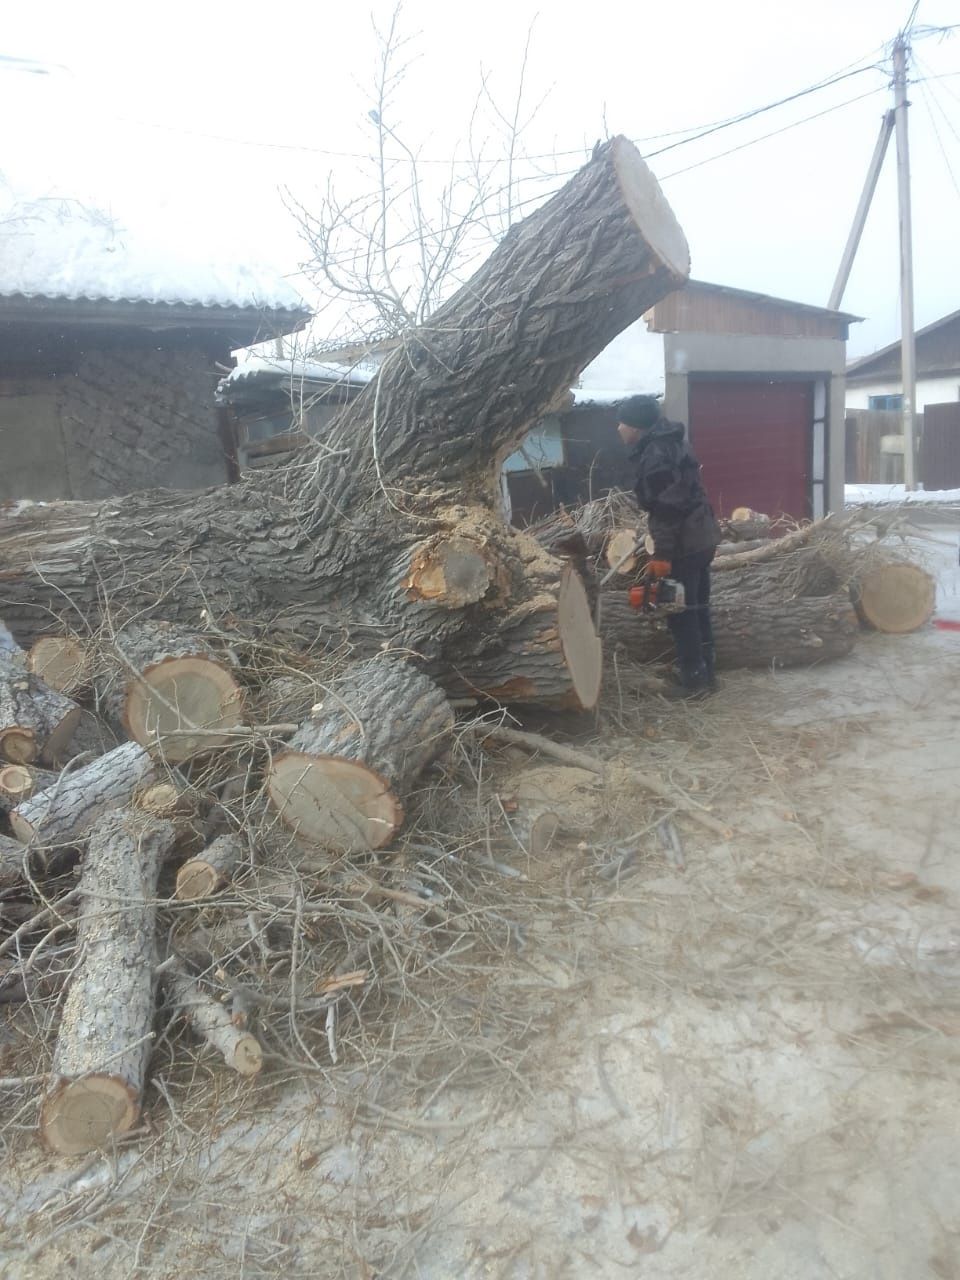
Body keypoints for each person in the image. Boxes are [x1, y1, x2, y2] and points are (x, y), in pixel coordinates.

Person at [617, 394, 721, 697]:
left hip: (684, 545)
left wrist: (662, 555)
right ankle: (706, 673)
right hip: (702, 538)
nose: (619, 429)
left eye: (622, 423)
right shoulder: (673, 443)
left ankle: (694, 683)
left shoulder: (656, 455)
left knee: (680, 613)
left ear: (636, 426)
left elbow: (666, 510)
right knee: (698, 607)